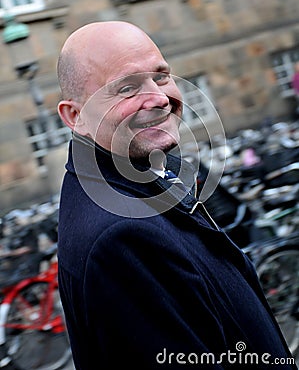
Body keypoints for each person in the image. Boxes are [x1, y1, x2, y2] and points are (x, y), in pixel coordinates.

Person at [56, 21, 296, 369]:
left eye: (162, 76)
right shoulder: (122, 237)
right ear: (76, 116)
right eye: (126, 87)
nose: (158, 97)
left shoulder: (142, 173)